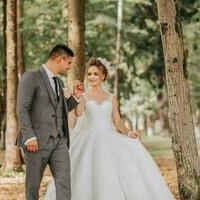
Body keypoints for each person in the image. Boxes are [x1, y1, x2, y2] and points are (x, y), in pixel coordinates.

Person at [45, 57, 174, 200]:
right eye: (89, 74)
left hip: (110, 136)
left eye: (95, 74)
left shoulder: (111, 98)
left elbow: (117, 122)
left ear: (103, 76)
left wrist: (129, 132)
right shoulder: (84, 97)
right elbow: (79, 114)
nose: (92, 77)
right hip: (90, 139)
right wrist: (78, 95)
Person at [16, 44, 84, 200]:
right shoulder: (31, 77)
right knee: (33, 187)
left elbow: (61, 110)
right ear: (59, 59)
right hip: (36, 142)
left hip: (59, 141)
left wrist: (75, 97)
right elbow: (22, 109)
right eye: (68, 63)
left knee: (64, 183)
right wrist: (29, 136)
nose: (69, 67)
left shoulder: (59, 83)